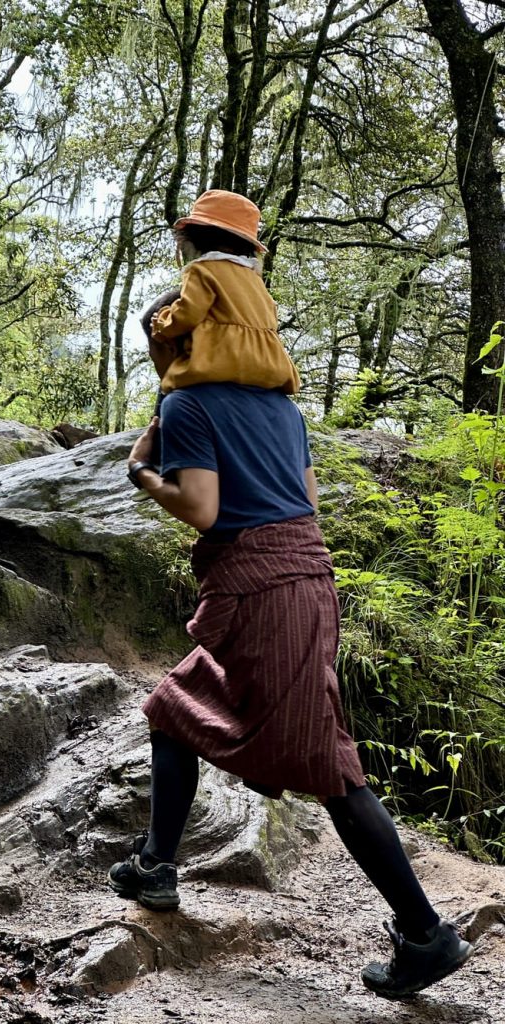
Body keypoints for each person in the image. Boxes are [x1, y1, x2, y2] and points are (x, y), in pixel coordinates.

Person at [108, 297, 473, 1000]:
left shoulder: (188, 406)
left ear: (178, 344)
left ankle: (426, 934)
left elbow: (202, 509)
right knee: (173, 708)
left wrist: (141, 471)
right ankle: (156, 865)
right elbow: (303, 498)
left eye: (157, 345)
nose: (157, 359)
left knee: (329, 767)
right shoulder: (282, 409)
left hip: (263, 598)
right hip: (302, 585)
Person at [150, 189, 299, 396]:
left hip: (221, 361)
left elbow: (188, 314)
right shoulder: (253, 278)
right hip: (268, 365)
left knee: (172, 392)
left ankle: (161, 417)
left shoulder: (202, 269)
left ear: (197, 236)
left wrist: (163, 322)